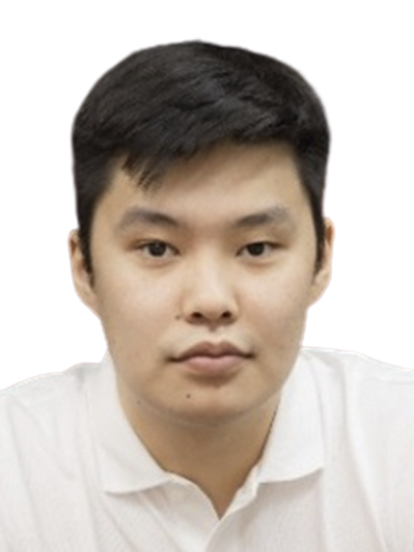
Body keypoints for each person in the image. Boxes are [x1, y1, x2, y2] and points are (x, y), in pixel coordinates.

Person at [1, 41, 413, 552]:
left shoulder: (400, 443)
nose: (211, 301)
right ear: (84, 266)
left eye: (256, 247)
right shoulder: (12, 468)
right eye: (157, 248)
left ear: (322, 256)